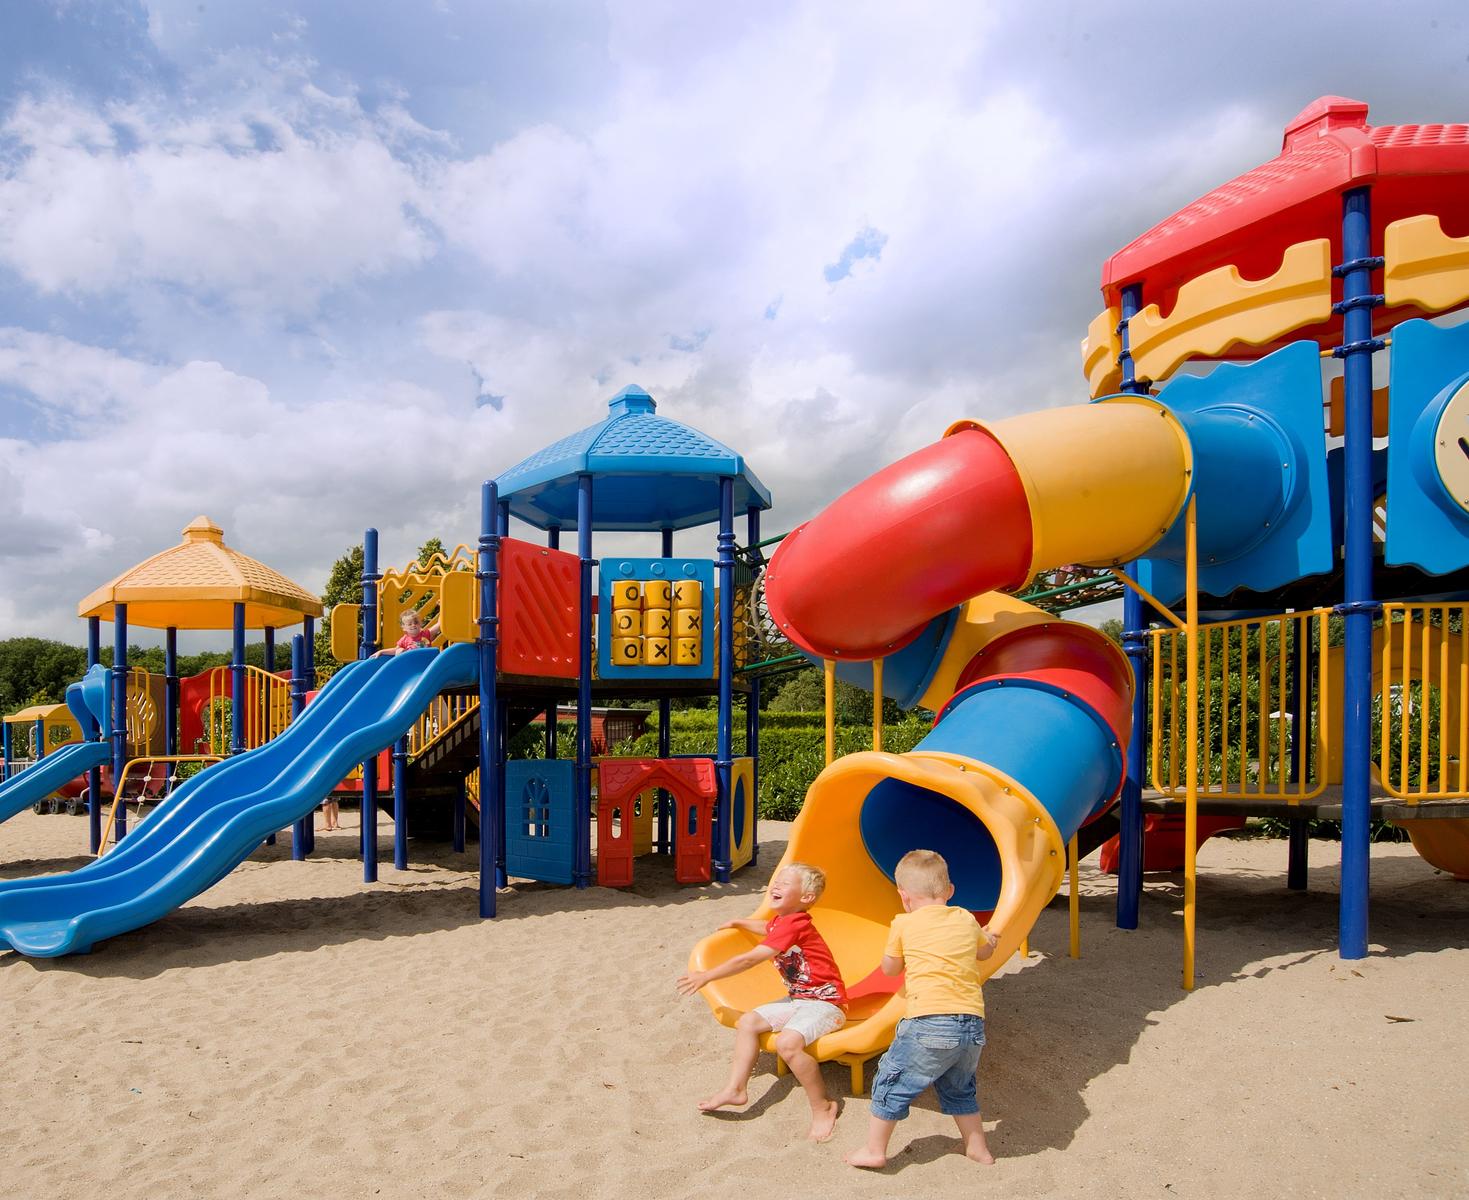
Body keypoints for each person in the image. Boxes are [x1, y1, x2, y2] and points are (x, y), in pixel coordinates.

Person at [845, 849, 1000, 1169]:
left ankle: (874, 1150)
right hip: (971, 1024)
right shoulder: (965, 918)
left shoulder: (903, 923)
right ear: (950, 891)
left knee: (891, 1081)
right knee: (960, 1087)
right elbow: (984, 952)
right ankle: (977, 1148)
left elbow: (890, 969)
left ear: (903, 896)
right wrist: (991, 939)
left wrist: (895, 955)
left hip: (928, 1020)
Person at [677, 863, 848, 1142]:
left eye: (785, 883)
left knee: (787, 1044)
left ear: (806, 897)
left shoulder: (796, 923)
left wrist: (707, 975)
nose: (776, 885)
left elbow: (750, 959)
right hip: (798, 1000)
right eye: (776, 880)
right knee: (748, 1022)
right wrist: (739, 922)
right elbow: (767, 927)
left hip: (826, 1004)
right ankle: (736, 1089)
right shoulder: (783, 921)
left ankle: (823, 1106)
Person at [372, 609, 440, 657]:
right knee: (399, 650)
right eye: (410, 624)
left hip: (426, 661)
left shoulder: (426, 634)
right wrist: (381, 651)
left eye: (416, 623)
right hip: (412, 662)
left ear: (420, 624)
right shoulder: (404, 639)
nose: (413, 625)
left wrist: (442, 607)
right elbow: (395, 650)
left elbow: (439, 624)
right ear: (404, 628)